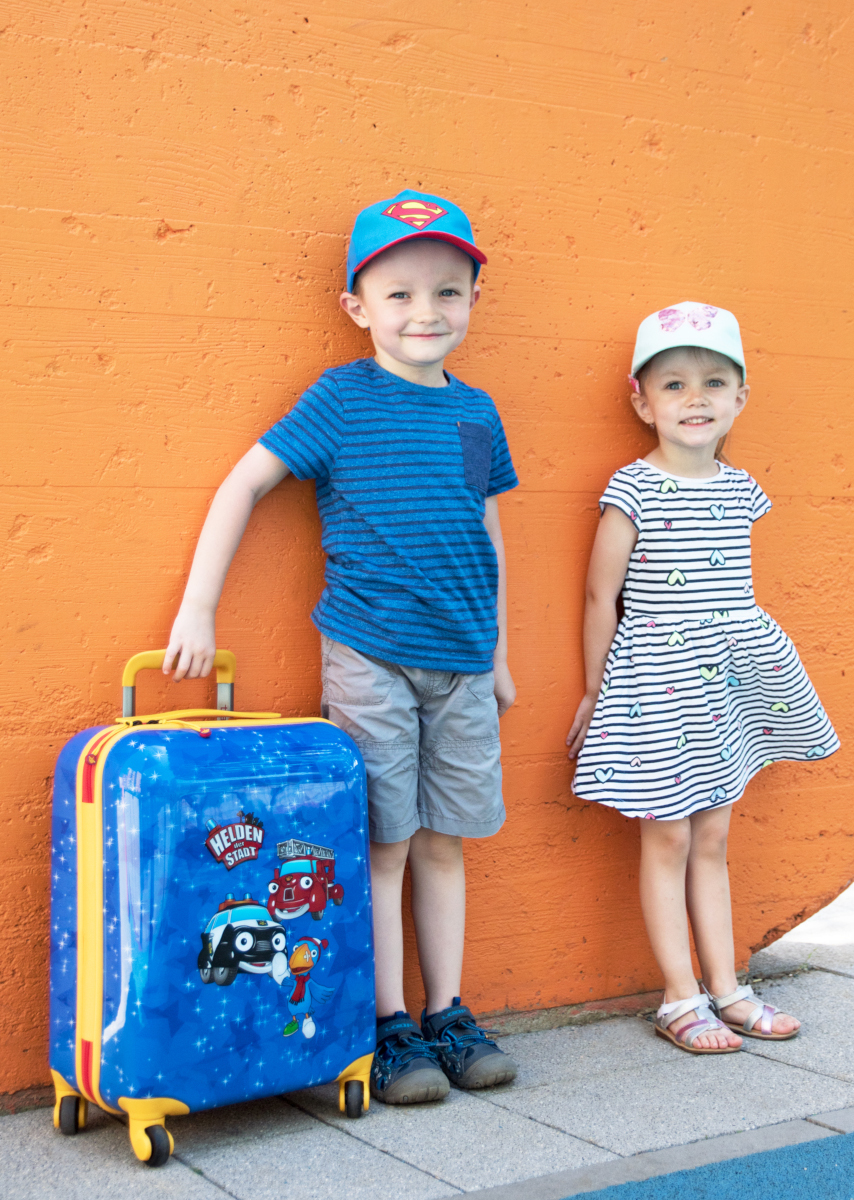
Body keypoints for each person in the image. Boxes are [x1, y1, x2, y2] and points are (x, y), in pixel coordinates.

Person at [163, 190, 519, 1102]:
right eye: (399, 294)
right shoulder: (340, 399)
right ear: (358, 307)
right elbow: (244, 485)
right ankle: (388, 1022)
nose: (425, 312)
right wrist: (198, 609)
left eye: (447, 291)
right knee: (385, 841)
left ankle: (448, 1012)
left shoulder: (478, 413)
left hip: (464, 664)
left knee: (445, 841)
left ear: (474, 300)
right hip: (370, 656)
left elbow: (486, 531)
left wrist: (500, 653)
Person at [565, 301, 839, 1053]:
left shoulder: (739, 489)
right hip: (657, 683)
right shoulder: (632, 488)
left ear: (740, 399)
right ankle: (677, 996)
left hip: (725, 685)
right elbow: (600, 597)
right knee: (668, 840)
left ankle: (728, 988)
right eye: (674, 384)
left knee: (713, 836)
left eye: (714, 383)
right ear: (641, 402)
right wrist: (594, 690)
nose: (695, 399)